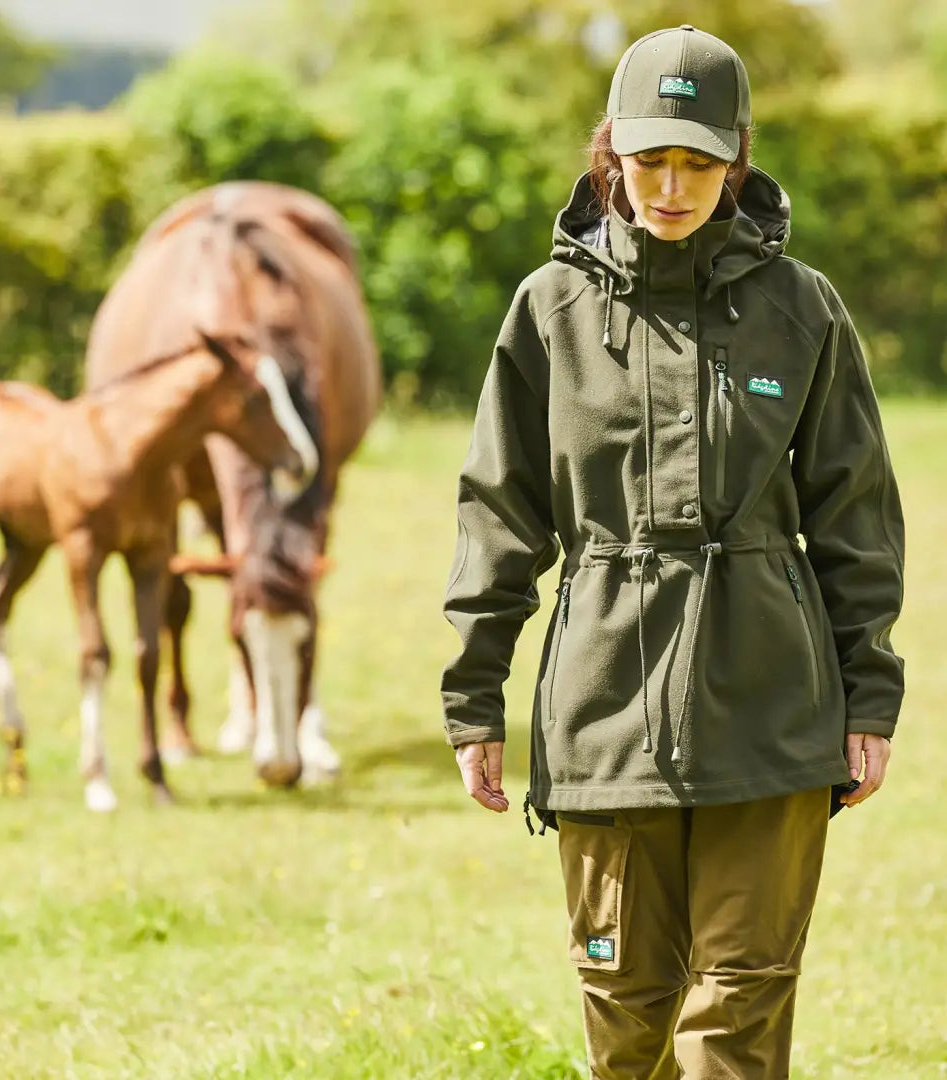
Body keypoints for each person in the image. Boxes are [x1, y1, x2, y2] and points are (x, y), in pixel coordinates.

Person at [440, 24, 905, 1080]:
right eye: (652, 160)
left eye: (699, 161)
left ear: (736, 158)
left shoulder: (803, 310)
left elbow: (855, 517)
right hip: (604, 707)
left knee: (734, 1020)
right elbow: (498, 513)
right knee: (628, 1018)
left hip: (771, 706)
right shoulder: (547, 311)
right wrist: (476, 700)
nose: (674, 185)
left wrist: (868, 696)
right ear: (612, 153)